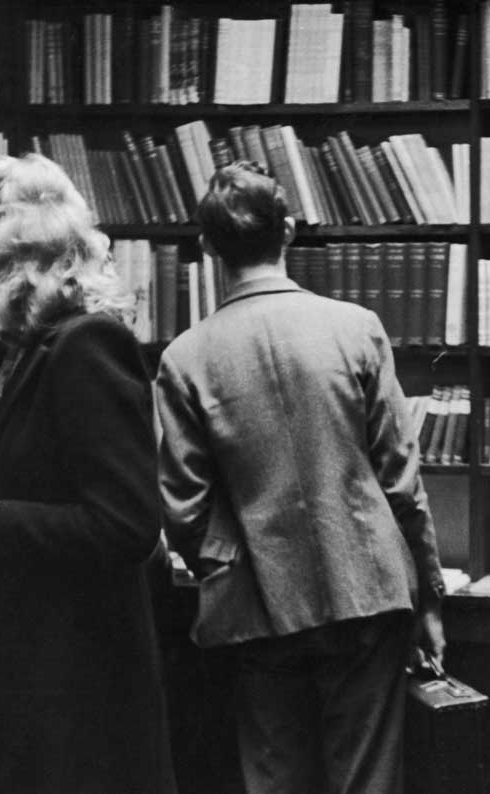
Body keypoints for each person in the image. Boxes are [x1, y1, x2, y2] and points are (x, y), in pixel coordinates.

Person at [155, 161, 446, 794]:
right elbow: (402, 483)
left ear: (208, 248)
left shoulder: (184, 358)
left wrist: (231, 568)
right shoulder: (356, 329)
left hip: (256, 605)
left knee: (277, 780)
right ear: (287, 230)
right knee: (367, 780)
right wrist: (427, 598)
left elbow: (182, 511)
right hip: (367, 590)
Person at [0, 153, 178, 794]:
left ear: (13, 249)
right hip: (39, 678)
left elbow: (127, 525)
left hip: (77, 692)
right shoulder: (38, 349)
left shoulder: (87, 345)